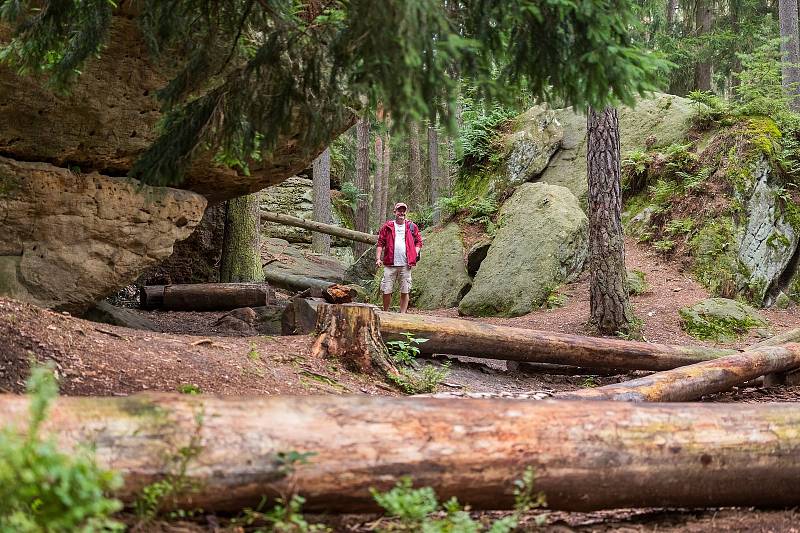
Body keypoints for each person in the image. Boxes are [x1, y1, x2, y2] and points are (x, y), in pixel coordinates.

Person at [376, 202, 423, 313]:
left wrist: (415, 252)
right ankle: (386, 312)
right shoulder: (387, 227)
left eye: (403, 211)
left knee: (405, 290)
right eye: (399, 210)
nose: (401, 213)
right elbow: (380, 243)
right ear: (395, 212)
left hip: (406, 264)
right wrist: (378, 258)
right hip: (389, 264)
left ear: (405, 212)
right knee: (386, 290)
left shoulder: (411, 226)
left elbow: (419, 242)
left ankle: (402, 315)